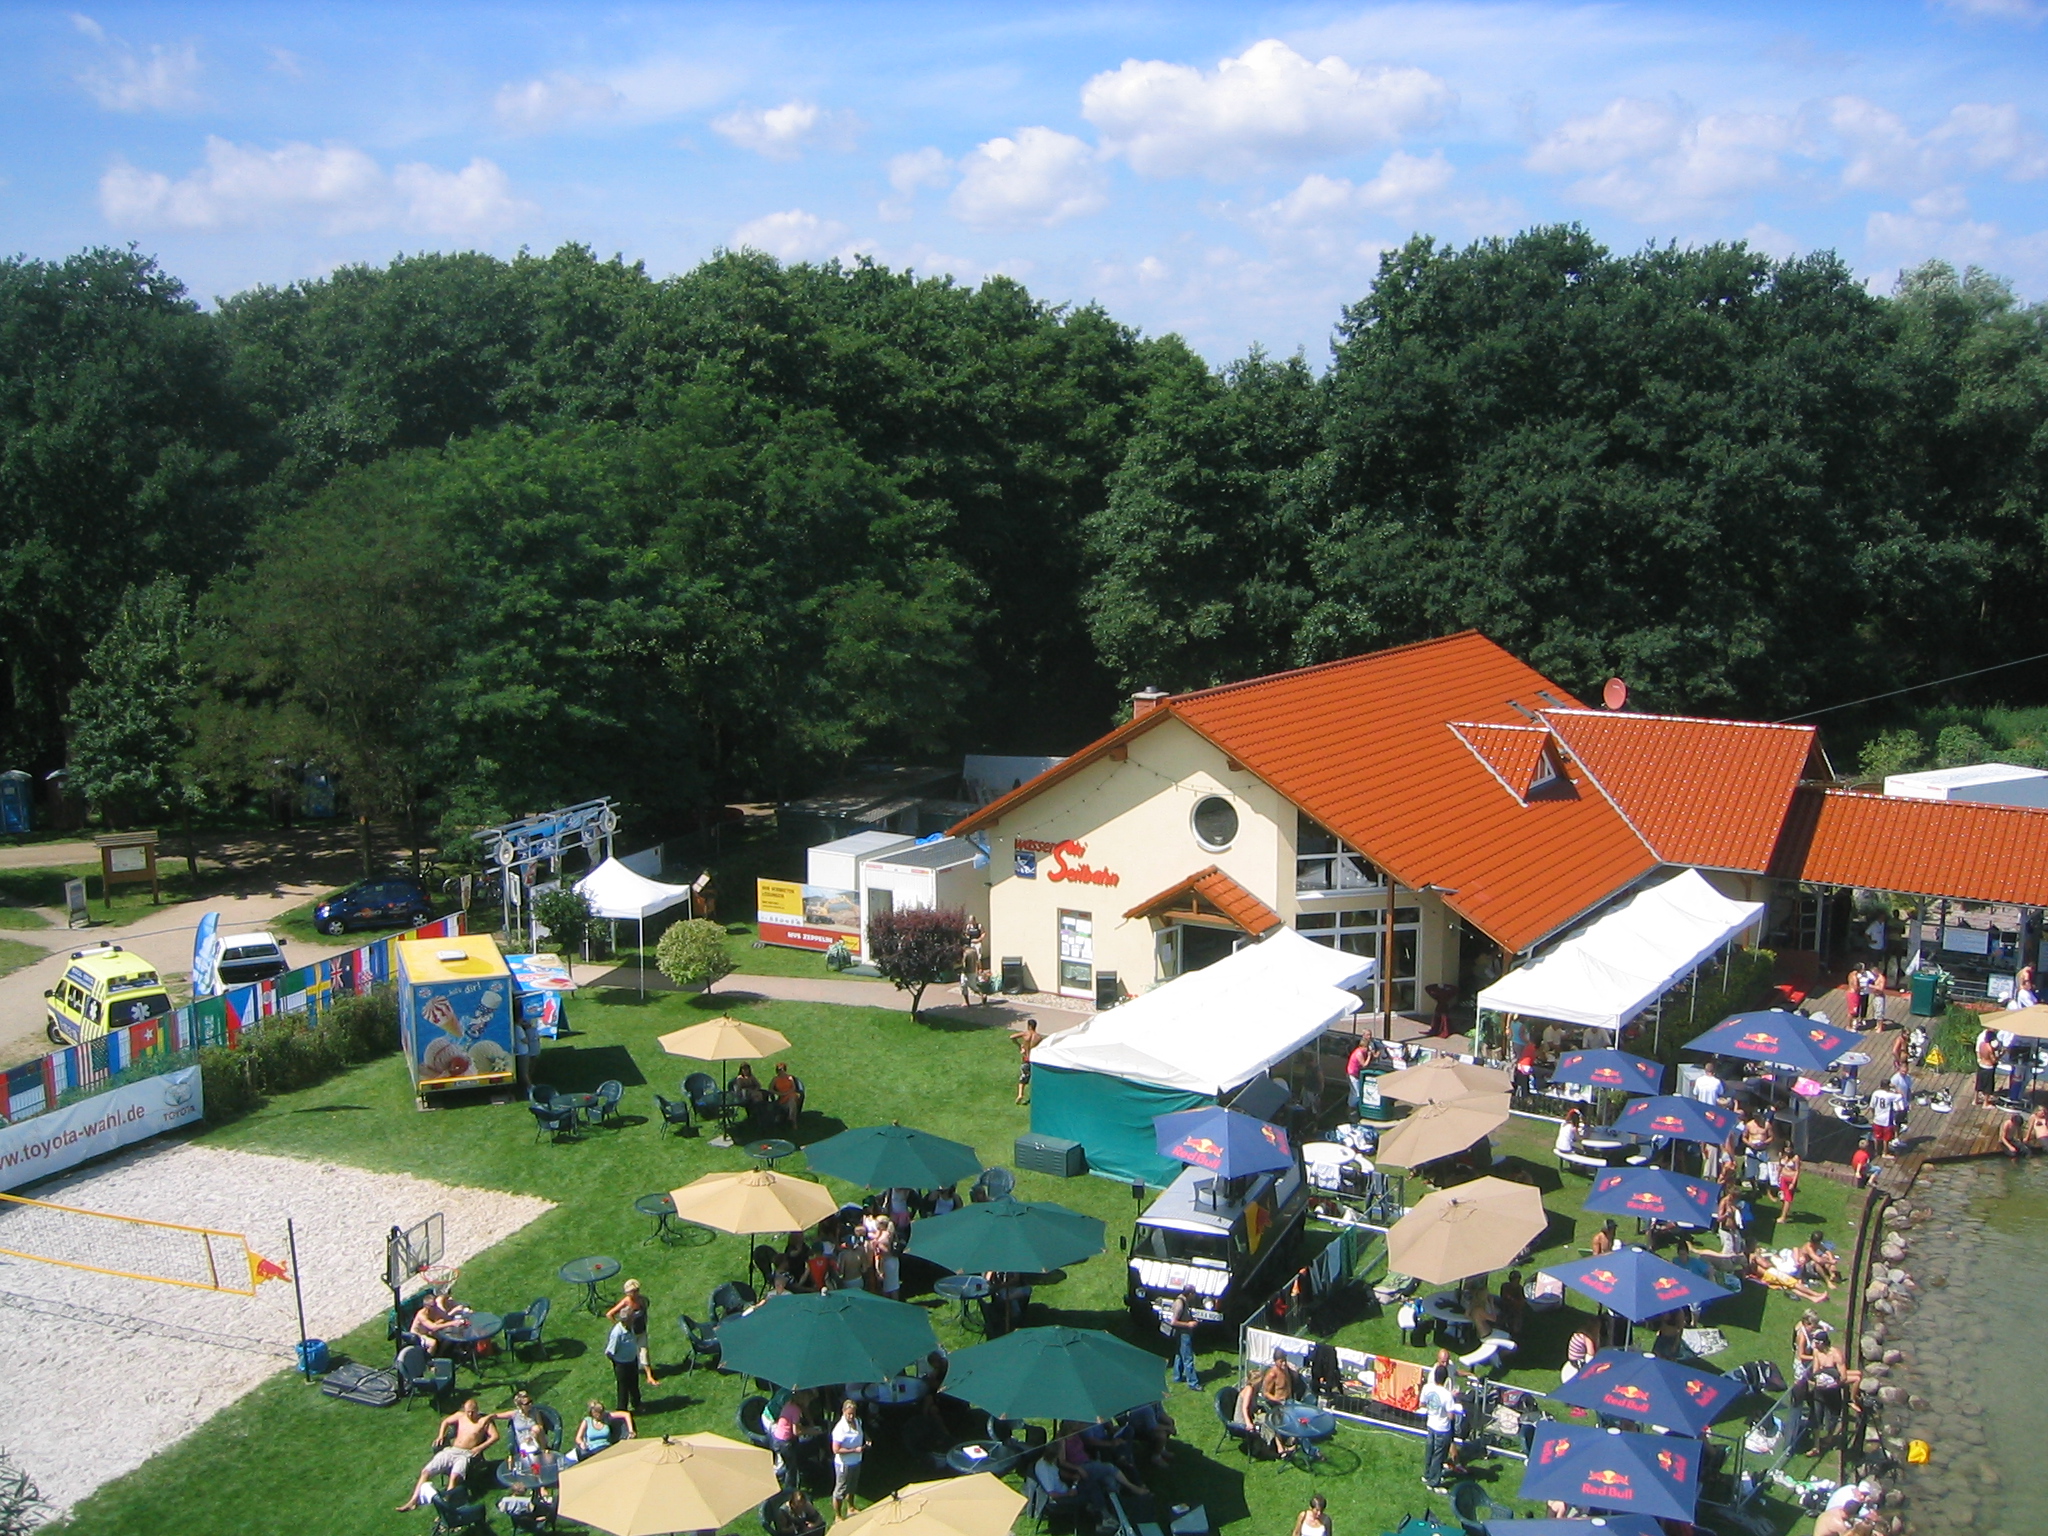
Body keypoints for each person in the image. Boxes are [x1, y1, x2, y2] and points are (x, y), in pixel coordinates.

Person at [398, 1398, 500, 1509]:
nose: (470, 1415)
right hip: (452, 1450)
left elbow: (495, 1436)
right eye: (468, 1412)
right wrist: (440, 1435)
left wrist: (480, 1447)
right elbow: (445, 1422)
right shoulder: (460, 1416)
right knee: (425, 1472)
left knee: (454, 1477)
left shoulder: (483, 1421)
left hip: (466, 1454)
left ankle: (446, 1505)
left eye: (472, 1412)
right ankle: (413, 1501)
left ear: (477, 1409)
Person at [605, 1279, 660, 1392]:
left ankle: (649, 1376)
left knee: (644, 1352)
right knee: (634, 1354)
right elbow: (609, 1314)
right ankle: (636, 1372)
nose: (635, 1293)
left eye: (636, 1290)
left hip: (641, 1330)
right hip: (632, 1333)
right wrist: (620, 1325)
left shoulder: (642, 1300)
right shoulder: (626, 1302)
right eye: (632, 1291)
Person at [1419, 1362, 1459, 1490]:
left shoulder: (1427, 1388)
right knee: (1439, 1456)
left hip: (1431, 1424)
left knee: (1430, 1451)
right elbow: (1451, 1415)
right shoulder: (1447, 1395)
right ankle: (1434, 1482)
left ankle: (1427, 1475)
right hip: (1443, 1428)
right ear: (1446, 1378)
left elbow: (1422, 1404)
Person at [830, 1398, 866, 1519]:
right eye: (849, 1414)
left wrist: (867, 1438)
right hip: (844, 1464)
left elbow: (861, 1432)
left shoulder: (857, 1421)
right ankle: (838, 1516)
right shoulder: (839, 1429)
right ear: (843, 1411)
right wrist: (854, 1450)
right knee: (841, 1490)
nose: (851, 1416)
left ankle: (851, 1508)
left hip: (856, 1461)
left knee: (852, 1486)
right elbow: (836, 1449)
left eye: (853, 1414)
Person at [409, 1286, 471, 1356]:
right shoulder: (421, 1315)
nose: (435, 1307)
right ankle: (428, 1359)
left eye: (435, 1304)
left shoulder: (436, 1309)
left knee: (447, 1335)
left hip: (428, 1331)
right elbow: (433, 1327)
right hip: (417, 1335)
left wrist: (461, 1316)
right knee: (432, 1343)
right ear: (426, 1306)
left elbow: (447, 1317)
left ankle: (442, 1353)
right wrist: (452, 1323)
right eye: (432, 1306)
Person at [605, 1312, 644, 1414]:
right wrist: (618, 1363)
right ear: (625, 1321)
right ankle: (622, 1409)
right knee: (623, 1387)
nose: (633, 1320)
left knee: (634, 1384)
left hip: (632, 1360)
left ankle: (637, 1404)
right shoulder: (617, 1333)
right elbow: (609, 1352)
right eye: (631, 1318)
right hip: (622, 1364)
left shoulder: (631, 1327)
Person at [1164, 1282, 1200, 1387]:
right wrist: (1188, 1324)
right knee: (1188, 1358)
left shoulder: (1182, 1300)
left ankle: (1177, 1377)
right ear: (1190, 1294)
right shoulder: (1180, 1303)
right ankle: (1193, 1383)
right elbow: (1173, 1322)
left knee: (1179, 1355)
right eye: (1194, 1293)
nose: (1194, 1296)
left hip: (1182, 1332)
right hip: (1183, 1333)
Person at [1867, 1079, 1904, 1154]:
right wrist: (1895, 1087)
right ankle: (1885, 1152)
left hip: (1877, 1118)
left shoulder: (1875, 1093)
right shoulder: (1889, 1095)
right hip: (1886, 1120)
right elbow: (1901, 1095)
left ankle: (1877, 1151)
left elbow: (1872, 1106)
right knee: (1886, 1138)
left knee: (1877, 1137)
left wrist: (1874, 1116)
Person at [1014, 1020, 1042, 1106]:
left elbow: (1012, 1037)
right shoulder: (1039, 1037)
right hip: (1034, 1060)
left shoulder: (1025, 1034)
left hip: (1026, 1059)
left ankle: (1020, 1094)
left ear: (1029, 1026)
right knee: (1034, 1077)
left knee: (1023, 1077)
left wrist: (1020, 1046)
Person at [771, 1062, 802, 1134]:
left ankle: (792, 1118)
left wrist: (787, 1093)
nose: (780, 1071)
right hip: (782, 1096)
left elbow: (793, 1088)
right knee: (792, 1104)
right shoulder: (775, 1079)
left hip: (791, 1094)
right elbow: (771, 1089)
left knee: (792, 1098)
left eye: (782, 1070)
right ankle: (793, 1121)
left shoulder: (789, 1078)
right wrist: (780, 1094)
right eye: (779, 1070)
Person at [1977, 1029, 2002, 1107]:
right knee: (1988, 1086)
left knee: (1979, 1084)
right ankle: (1985, 1103)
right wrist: (2001, 1055)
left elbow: (1980, 1053)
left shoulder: (1981, 1044)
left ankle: (1975, 1100)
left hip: (1981, 1065)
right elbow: (1993, 1060)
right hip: (1988, 1067)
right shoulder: (1990, 1049)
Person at [1778, 1147, 1802, 1222]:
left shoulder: (1795, 1157)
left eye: (1789, 1149)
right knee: (1782, 1196)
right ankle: (1785, 1212)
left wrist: (1793, 1183)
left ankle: (1783, 1218)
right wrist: (1777, 1176)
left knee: (1787, 1198)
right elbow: (1780, 1166)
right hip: (1783, 1177)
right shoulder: (1782, 1155)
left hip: (1790, 1179)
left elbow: (1797, 1171)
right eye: (1786, 1149)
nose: (1788, 1151)